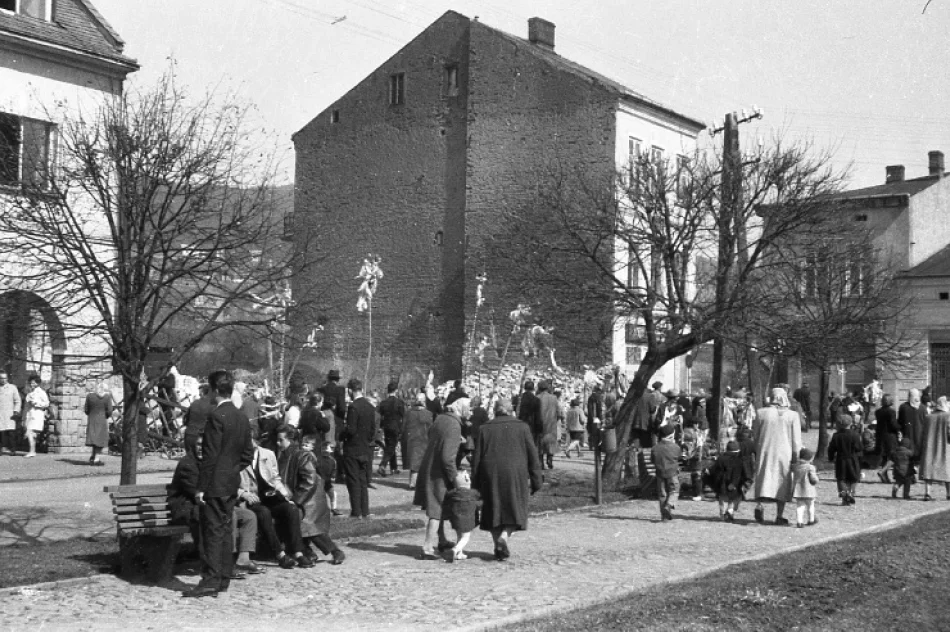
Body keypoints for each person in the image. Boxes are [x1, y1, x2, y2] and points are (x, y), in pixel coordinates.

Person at [184, 371, 254, 598]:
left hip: (214, 483)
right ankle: (223, 577)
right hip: (231, 482)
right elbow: (247, 454)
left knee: (212, 533)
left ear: (214, 390)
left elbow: (210, 455)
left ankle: (211, 579)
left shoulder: (216, 417)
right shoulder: (241, 417)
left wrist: (202, 487)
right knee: (225, 531)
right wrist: (232, 470)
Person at [472, 398, 542, 561]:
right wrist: (536, 479)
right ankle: (503, 537)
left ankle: (498, 543)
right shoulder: (523, 427)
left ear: (495, 411)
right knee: (515, 508)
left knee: (492, 509)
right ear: (511, 410)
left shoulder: (484, 428)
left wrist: (475, 484)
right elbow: (533, 455)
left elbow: (476, 458)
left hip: (490, 472)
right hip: (515, 472)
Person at [238, 429, 303, 570]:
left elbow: (275, 478)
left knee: (291, 508)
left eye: (252, 442)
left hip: (269, 497)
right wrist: (243, 493)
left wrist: (284, 495)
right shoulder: (236, 457)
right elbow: (229, 483)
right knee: (263, 513)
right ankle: (280, 555)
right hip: (251, 499)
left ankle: (298, 552)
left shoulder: (268, 454)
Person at [277, 428, 342, 565]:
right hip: (304, 497)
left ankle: (335, 552)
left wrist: (296, 500)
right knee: (301, 529)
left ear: (291, 440)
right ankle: (308, 553)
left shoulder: (301, 455)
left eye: (281, 440)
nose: (278, 443)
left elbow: (309, 480)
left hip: (310, 499)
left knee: (312, 530)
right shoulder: (285, 454)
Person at [413, 397, 468, 559]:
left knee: (439, 508)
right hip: (440, 473)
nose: (469, 412)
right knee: (436, 510)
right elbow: (447, 457)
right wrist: (454, 478)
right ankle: (427, 547)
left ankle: (442, 540)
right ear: (461, 410)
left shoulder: (441, 418)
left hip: (430, 465)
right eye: (468, 409)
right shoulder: (454, 425)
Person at [752, 387, 802, 526]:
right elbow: (796, 440)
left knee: (763, 477)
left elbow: (755, 434)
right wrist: (796, 456)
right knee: (782, 482)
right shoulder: (792, 415)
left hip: (765, 449)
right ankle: (779, 514)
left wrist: (757, 448)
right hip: (784, 452)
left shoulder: (761, 413)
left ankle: (759, 505)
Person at [341, 378, 376, 518]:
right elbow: (373, 429)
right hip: (365, 448)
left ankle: (356, 511)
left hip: (353, 448)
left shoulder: (353, 407)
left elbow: (350, 429)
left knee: (353, 480)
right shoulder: (369, 406)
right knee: (362, 480)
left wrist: (340, 435)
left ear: (350, 390)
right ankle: (365, 510)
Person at [441, 464, 480, 562]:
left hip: (455, 520)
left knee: (459, 535)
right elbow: (478, 504)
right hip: (467, 521)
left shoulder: (452, 494)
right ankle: (455, 550)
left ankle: (460, 554)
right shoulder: (473, 494)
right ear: (467, 480)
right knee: (465, 538)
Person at [918, 396, 950, 501]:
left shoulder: (928, 417)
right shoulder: (948, 416)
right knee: (947, 469)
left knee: (929, 468)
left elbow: (923, 432)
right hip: (945, 445)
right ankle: (949, 493)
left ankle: (927, 492)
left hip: (930, 445)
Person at [828, 415, 863, 506]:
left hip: (841, 460)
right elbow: (859, 448)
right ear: (851, 423)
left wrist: (831, 458)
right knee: (854, 477)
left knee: (841, 478)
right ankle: (851, 492)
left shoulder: (836, 436)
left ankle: (844, 495)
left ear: (839, 424)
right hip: (853, 459)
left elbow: (831, 449)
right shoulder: (855, 434)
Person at [708, 439, 746, 521]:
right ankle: (730, 511)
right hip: (735, 482)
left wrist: (709, 472)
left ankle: (723, 514)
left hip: (722, 482)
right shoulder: (739, 460)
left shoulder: (721, 458)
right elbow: (741, 472)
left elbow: (714, 469)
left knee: (722, 499)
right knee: (733, 499)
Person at [376, 381, 406, 477]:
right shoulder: (399, 402)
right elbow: (403, 416)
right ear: (396, 391)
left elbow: (379, 415)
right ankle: (383, 465)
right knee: (391, 447)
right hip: (396, 427)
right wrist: (402, 428)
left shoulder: (383, 403)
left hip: (386, 427)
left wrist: (381, 426)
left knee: (390, 446)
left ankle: (394, 467)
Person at [404, 393, 433, 489]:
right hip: (424, 440)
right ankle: (420, 483)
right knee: (423, 462)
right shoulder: (428, 414)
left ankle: (412, 483)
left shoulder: (409, 413)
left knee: (414, 462)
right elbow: (431, 429)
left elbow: (404, 426)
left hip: (412, 439)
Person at [653, 424, 680, 521]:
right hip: (672, 472)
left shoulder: (655, 448)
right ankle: (669, 505)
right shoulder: (675, 447)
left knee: (662, 494)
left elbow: (653, 460)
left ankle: (664, 516)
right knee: (674, 491)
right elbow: (678, 457)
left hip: (660, 473)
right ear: (671, 435)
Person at [84, 381, 113, 466]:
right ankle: (96, 459)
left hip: (92, 419)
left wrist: (91, 414)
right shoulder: (106, 397)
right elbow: (110, 410)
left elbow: (86, 409)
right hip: (102, 419)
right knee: (99, 439)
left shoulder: (89, 396)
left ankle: (93, 456)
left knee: (94, 438)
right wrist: (106, 416)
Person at [536, 380, 562, 470]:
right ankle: (550, 459)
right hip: (551, 424)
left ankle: (541, 463)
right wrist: (556, 419)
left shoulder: (537, 398)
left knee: (540, 444)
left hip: (539, 424)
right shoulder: (554, 398)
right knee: (550, 443)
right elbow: (559, 412)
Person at [875, 394, 900, 484]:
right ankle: (882, 471)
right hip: (890, 436)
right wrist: (900, 427)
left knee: (884, 456)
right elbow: (893, 424)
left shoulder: (878, 412)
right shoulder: (891, 412)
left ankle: (885, 477)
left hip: (880, 435)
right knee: (894, 456)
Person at [22, 374, 49, 458]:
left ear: (37, 383)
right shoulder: (30, 393)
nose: (32, 384)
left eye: (33, 383)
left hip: (37, 416)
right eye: (31, 383)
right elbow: (26, 407)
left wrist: (37, 404)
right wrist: (23, 417)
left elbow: (47, 403)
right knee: (31, 434)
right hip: (29, 415)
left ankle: (32, 451)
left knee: (30, 433)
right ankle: (32, 450)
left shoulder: (41, 392)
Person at [791, 448, 819, 528]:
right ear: (810, 458)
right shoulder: (811, 467)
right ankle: (811, 520)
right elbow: (813, 478)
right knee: (810, 506)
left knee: (800, 506)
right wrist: (816, 480)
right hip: (809, 490)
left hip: (798, 490)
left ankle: (799, 522)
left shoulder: (796, 467)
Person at [517, 380, 542, 455]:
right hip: (532, 425)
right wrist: (539, 429)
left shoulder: (518, 399)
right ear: (533, 388)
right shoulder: (536, 400)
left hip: (519, 424)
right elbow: (538, 416)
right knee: (531, 445)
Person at [0, 372, 21, 456]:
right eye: (1, 378)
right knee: (0, 433)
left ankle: (13, 450)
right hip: (0, 413)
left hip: (10, 413)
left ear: (7, 378)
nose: (3, 380)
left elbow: (17, 400)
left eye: (5, 378)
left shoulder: (12, 388)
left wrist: (16, 411)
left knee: (11, 433)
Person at [892, 436, 916, 500]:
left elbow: (892, 456)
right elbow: (912, 455)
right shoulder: (908, 452)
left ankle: (895, 489)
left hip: (897, 470)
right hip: (906, 472)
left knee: (898, 482)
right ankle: (906, 495)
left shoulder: (896, 451)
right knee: (907, 483)